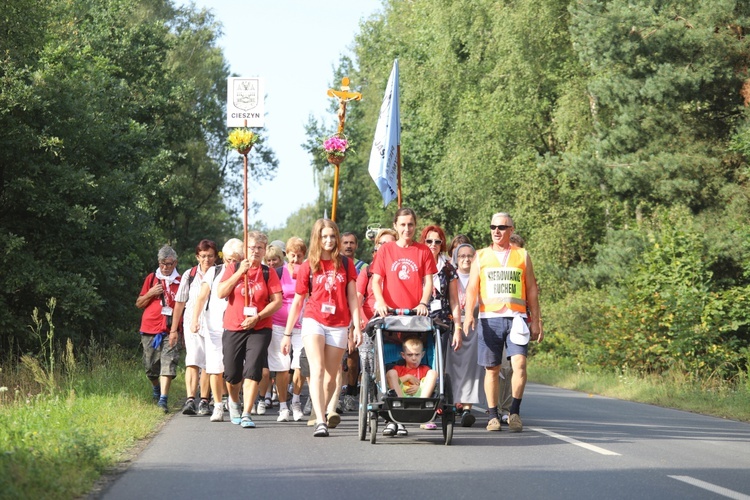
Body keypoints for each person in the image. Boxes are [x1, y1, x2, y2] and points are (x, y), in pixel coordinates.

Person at [281, 219, 362, 437]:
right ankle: (321, 421)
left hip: (339, 323)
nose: (329, 240)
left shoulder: (345, 264)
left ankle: (322, 410)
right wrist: (287, 334)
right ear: (317, 238)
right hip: (313, 319)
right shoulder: (308, 265)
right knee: (316, 369)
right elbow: (298, 301)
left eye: (332, 236)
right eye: (324, 236)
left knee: (330, 375)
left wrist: (357, 326)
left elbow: (353, 297)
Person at [463, 213, 543, 432]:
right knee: (492, 369)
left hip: (517, 318)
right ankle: (492, 415)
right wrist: (469, 313)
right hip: (490, 319)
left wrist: (536, 321)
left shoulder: (522, 255)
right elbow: (471, 288)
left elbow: (532, 289)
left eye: (501, 227)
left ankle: (514, 412)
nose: (496, 231)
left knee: (520, 365)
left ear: (511, 230)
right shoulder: (481, 256)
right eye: (492, 227)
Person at [217, 231, 283, 428]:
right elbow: (221, 292)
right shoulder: (233, 267)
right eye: (252, 247)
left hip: (260, 327)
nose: (255, 251)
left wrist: (258, 317)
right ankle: (234, 402)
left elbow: (277, 302)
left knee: (253, 370)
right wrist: (239, 273)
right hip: (234, 326)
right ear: (245, 249)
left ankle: (247, 413)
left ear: (264, 251)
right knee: (231, 373)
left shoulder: (268, 272)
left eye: (259, 248)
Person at [190, 238, 242, 422]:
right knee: (214, 367)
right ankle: (218, 406)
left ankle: (232, 400)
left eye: (236, 260)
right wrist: (195, 319)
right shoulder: (214, 271)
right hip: (213, 326)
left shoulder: (244, 273)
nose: (232, 263)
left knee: (233, 368)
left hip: (236, 328)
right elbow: (202, 297)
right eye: (228, 259)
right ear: (223, 258)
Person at [171, 239, 218, 417]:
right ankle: (190, 399)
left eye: (210, 256)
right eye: (203, 256)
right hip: (192, 323)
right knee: (192, 360)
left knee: (208, 362)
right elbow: (180, 302)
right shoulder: (189, 275)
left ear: (215, 256)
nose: (207, 260)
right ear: (197, 256)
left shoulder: (220, 273)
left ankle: (204, 400)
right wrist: (174, 329)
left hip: (213, 324)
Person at [135, 245, 181, 413]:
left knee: (168, 363)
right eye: (162, 263)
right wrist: (150, 293)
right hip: (150, 328)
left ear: (175, 263)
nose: (165, 267)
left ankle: (163, 399)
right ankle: (156, 388)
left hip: (171, 329)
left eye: (169, 264)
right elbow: (139, 303)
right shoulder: (151, 278)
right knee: (150, 368)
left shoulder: (181, 281)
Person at [447, 242, 486, 427]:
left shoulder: (480, 276)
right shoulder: (450, 276)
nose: (466, 259)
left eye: (469, 255)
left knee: (472, 368)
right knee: (452, 367)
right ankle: (454, 404)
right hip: (454, 326)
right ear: (456, 258)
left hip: (474, 326)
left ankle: (467, 409)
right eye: (461, 256)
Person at [371, 208, 437, 318]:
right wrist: (381, 303)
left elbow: (429, 282)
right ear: (395, 226)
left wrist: (423, 303)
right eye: (403, 225)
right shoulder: (385, 250)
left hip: (415, 313)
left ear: (415, 225)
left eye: (410, 224)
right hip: (390, 313)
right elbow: (376, 281)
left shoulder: (424, 251)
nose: (407, 229)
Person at [384, 336, 438, 437]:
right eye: (410, 355)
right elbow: (392, 381)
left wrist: (420, 387)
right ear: (403, 355)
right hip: (401, 396)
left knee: (433, 373)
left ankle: (424, 413)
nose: (414, 358)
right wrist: (407, 377)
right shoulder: (398, 368)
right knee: (391, 373)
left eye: (417, 355)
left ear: (422, 354)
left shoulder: (425, 369)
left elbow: (429, 382)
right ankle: (399, 412)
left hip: (420, 395)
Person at [281, 237, 308, 422]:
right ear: (287, 255)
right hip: (279, 325)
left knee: (299, 366)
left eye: (299, 256)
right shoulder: (278, 272)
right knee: (282, 368)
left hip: (303, 325)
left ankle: (296, 401)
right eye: (292, 255)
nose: (295, 259)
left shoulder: (308, 271)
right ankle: (283, 406)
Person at [340, 231, 367, 413]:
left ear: (356, 245)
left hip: (355, 312)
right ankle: (335, 395)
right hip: (337, 313)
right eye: (345, 243)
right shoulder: (337, 264)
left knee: (353, 355)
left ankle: (351, 392)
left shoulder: (363, 267)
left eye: (352, 243)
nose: (348, 246)